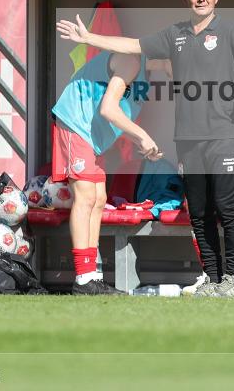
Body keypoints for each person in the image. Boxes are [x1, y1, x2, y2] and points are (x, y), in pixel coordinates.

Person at [57, 0, 234, 298]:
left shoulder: (230, 31)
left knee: (228, 208)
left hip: (222, 138)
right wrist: (89, 38)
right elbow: (130, 46)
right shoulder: (167, 39)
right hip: (182, 140)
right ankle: (213, 279)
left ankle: (233, 280)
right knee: (200, 212)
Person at [52, 51, 166, 295]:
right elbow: (108, 109)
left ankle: (91, 275)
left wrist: (138, 140)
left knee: (100, 199)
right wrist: (142, 136)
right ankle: (83, 278)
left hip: (92, 136)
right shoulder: (132, 60)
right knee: (85, 198)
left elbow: (120, 115)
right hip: (75, 123)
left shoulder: (144, 77)